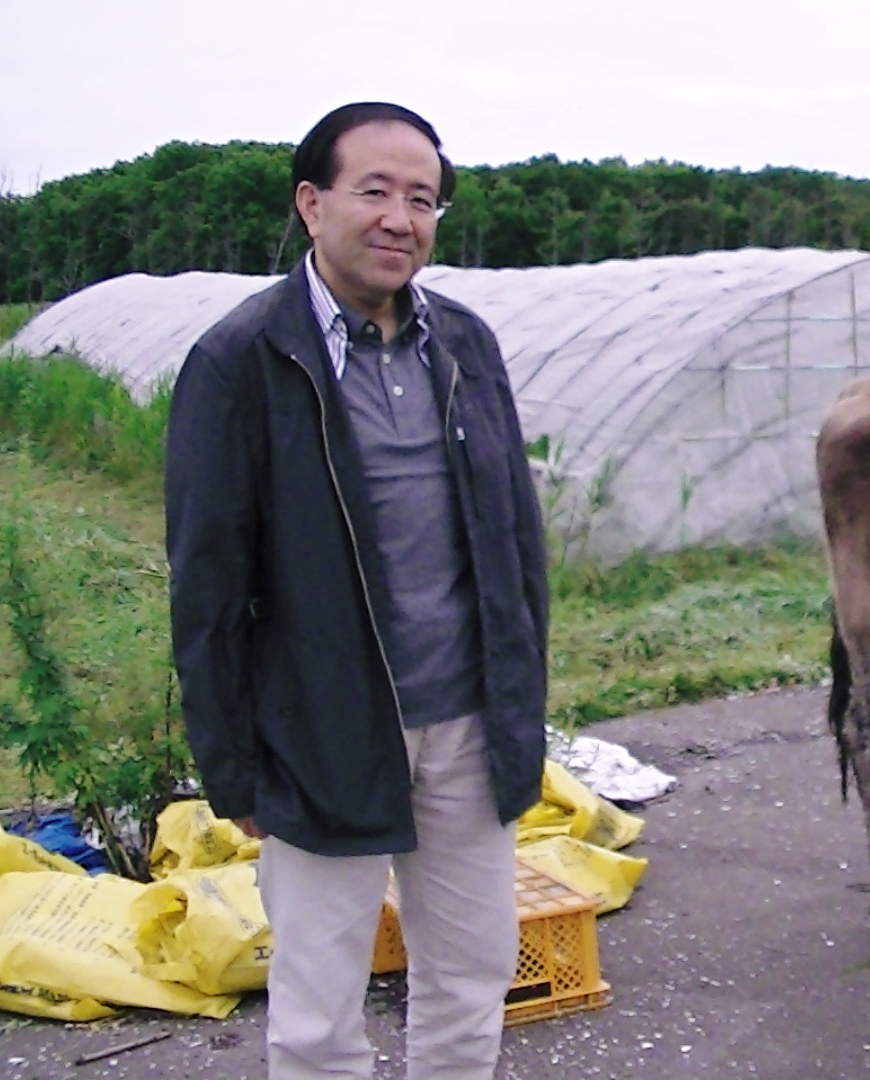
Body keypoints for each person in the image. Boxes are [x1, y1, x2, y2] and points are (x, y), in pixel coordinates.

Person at [165, 102, 549, 1080]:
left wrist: (520, 712)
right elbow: (206, 586)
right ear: (311, 203)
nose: (399, 218)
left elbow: (515, 544)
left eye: (421, 199)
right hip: (322, 734)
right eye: (373, 190)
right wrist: (233, 765)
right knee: (317, 1014)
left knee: (469, 980)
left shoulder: (465, 345)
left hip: (467, 725)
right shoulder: (240, 361)